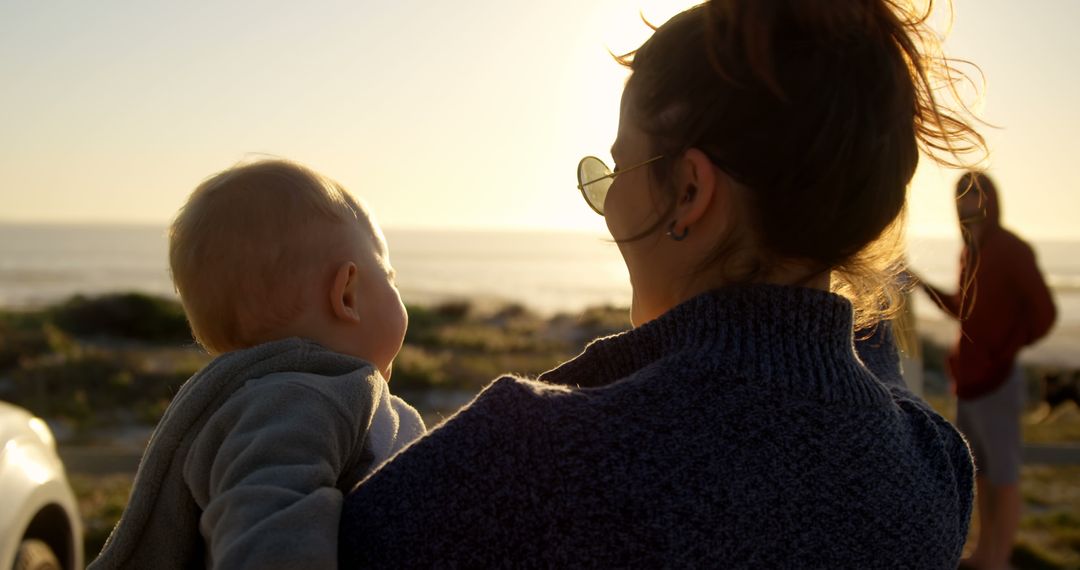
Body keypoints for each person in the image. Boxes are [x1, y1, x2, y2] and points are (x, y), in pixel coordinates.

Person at [339, 1, 981, 566]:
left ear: (691, 192)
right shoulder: (933, 473)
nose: (609, 203)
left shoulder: (526, 460)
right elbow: (870, 368)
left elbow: (321, 544)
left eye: (620, 169)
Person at [89, 160, 425, 569]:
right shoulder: (299, 399)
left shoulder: (275, 396)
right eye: (389, 277)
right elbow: (267, 524)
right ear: (347, 295)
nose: (396, 291)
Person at [917, 172, 1056, 570]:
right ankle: (984, 552)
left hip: (997, 380)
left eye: (975, 197)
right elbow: (964, 311)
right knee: (980, 472)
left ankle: (999, 558)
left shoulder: (1012, 249)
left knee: (1004, 473)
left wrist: (1004, 349)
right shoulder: (969, 252)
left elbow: (1044, 315)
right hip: (969, 380)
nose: (968, 206)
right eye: (961, 198)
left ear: (991, 201)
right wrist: (920, 284)